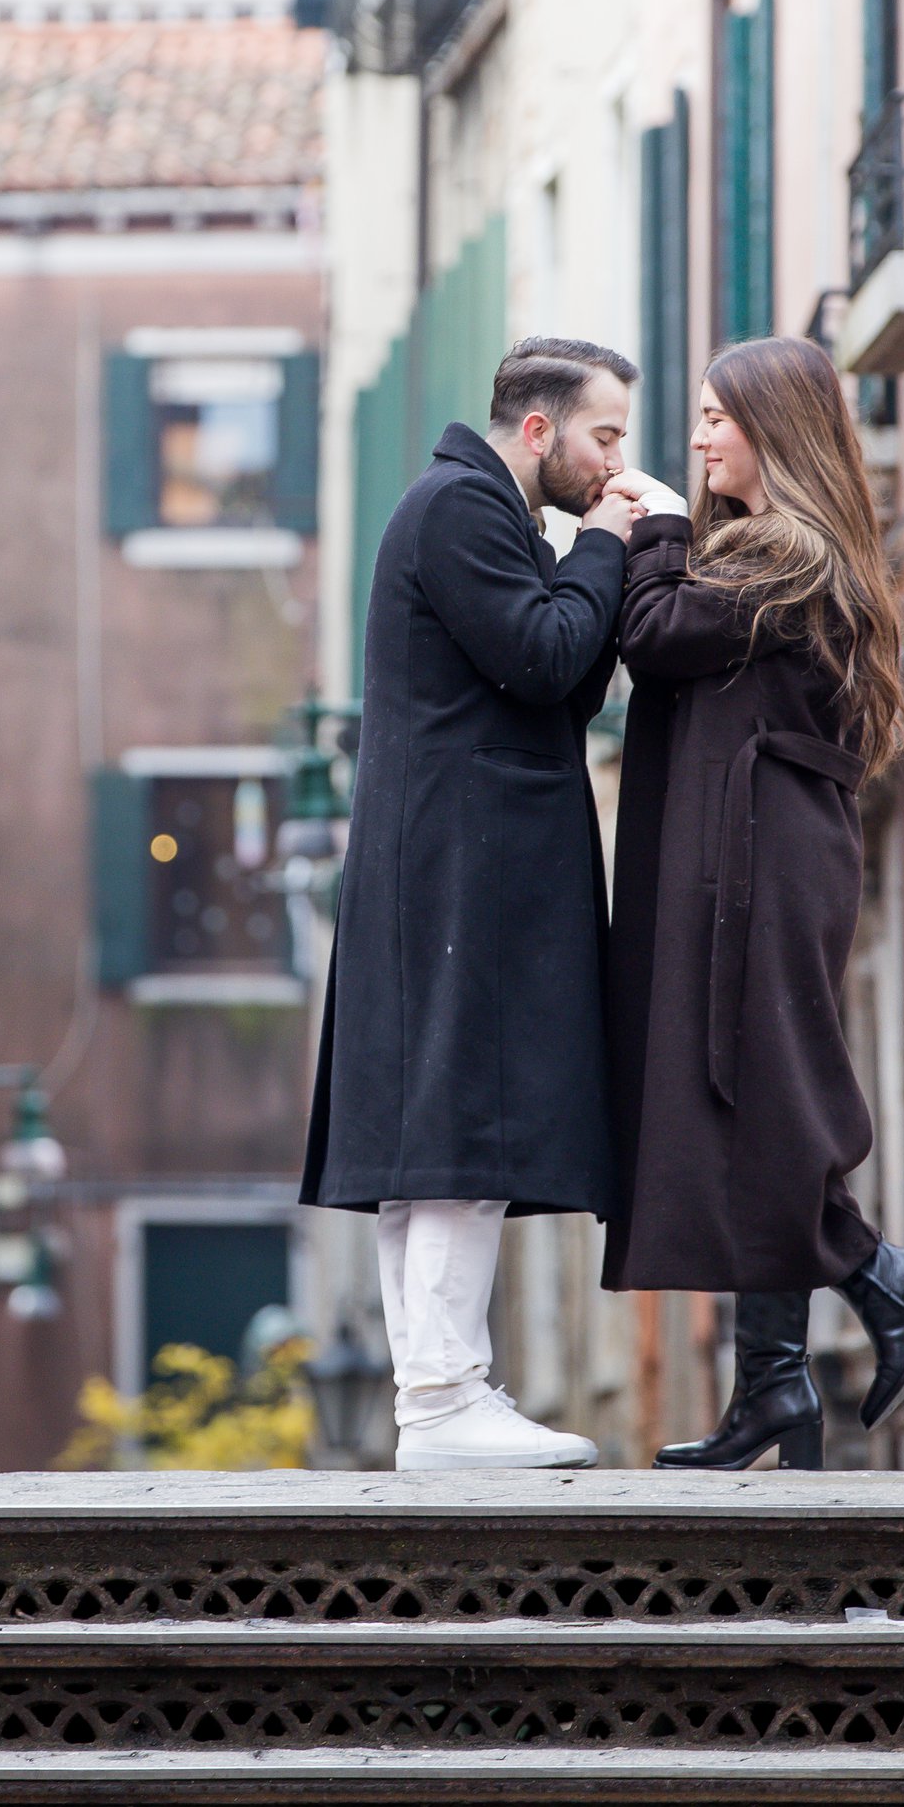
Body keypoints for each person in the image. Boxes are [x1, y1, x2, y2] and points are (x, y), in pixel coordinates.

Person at [598, 335, 904, 1470]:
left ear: (775, 428)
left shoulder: (787, 550)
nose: (699, 433)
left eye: (718, 415)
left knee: (758, 1088)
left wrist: (655, 527)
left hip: (765, 860)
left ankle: (872, 1274)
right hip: (764, 850)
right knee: (748, 1095)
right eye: (699, 414)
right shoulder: (774, 553)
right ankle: (774, 1384)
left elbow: (655, 635)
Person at [300, 337, 639, 1470]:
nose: (615, 461)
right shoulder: (461, 511)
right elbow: (550, 661)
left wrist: (588, 566)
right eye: (604, 435)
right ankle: (446, 1398)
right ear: (537, 430)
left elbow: (564, 675)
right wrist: (603, 546)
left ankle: (437, 1394)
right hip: (467, 863)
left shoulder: (476, 513)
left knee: (435, 1134)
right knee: (457, 1132)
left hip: (454, 859)